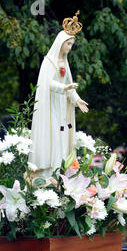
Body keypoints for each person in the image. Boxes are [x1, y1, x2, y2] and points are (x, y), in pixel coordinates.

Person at [29, 11, 89, 178]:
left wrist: (77, 99)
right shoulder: (49, 62)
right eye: (68, 44)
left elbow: (70, 85)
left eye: (71, 44)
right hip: (51, 109)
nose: (70, 48)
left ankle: (63, 175)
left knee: (64, 139)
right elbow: (47, 84)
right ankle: (50, 175)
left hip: (63, 109)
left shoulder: (65, 63)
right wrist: (63, 88)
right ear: (60, 43)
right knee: (53, 139)